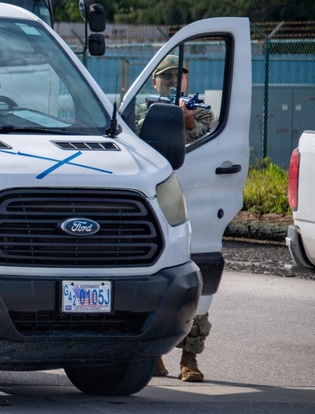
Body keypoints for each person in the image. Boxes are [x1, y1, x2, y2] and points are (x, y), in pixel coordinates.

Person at [139, 55, 215, 383]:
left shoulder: (201, 109)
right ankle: (151, 355)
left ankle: (189, 358)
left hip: (195, 205)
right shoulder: (143, 109)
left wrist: (186, 121)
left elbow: (207, 138)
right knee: (154, 281)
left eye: (178, 75)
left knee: (196, 284)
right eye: (166, 76)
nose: (172, 80)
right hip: (158, 208)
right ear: (154, 81)